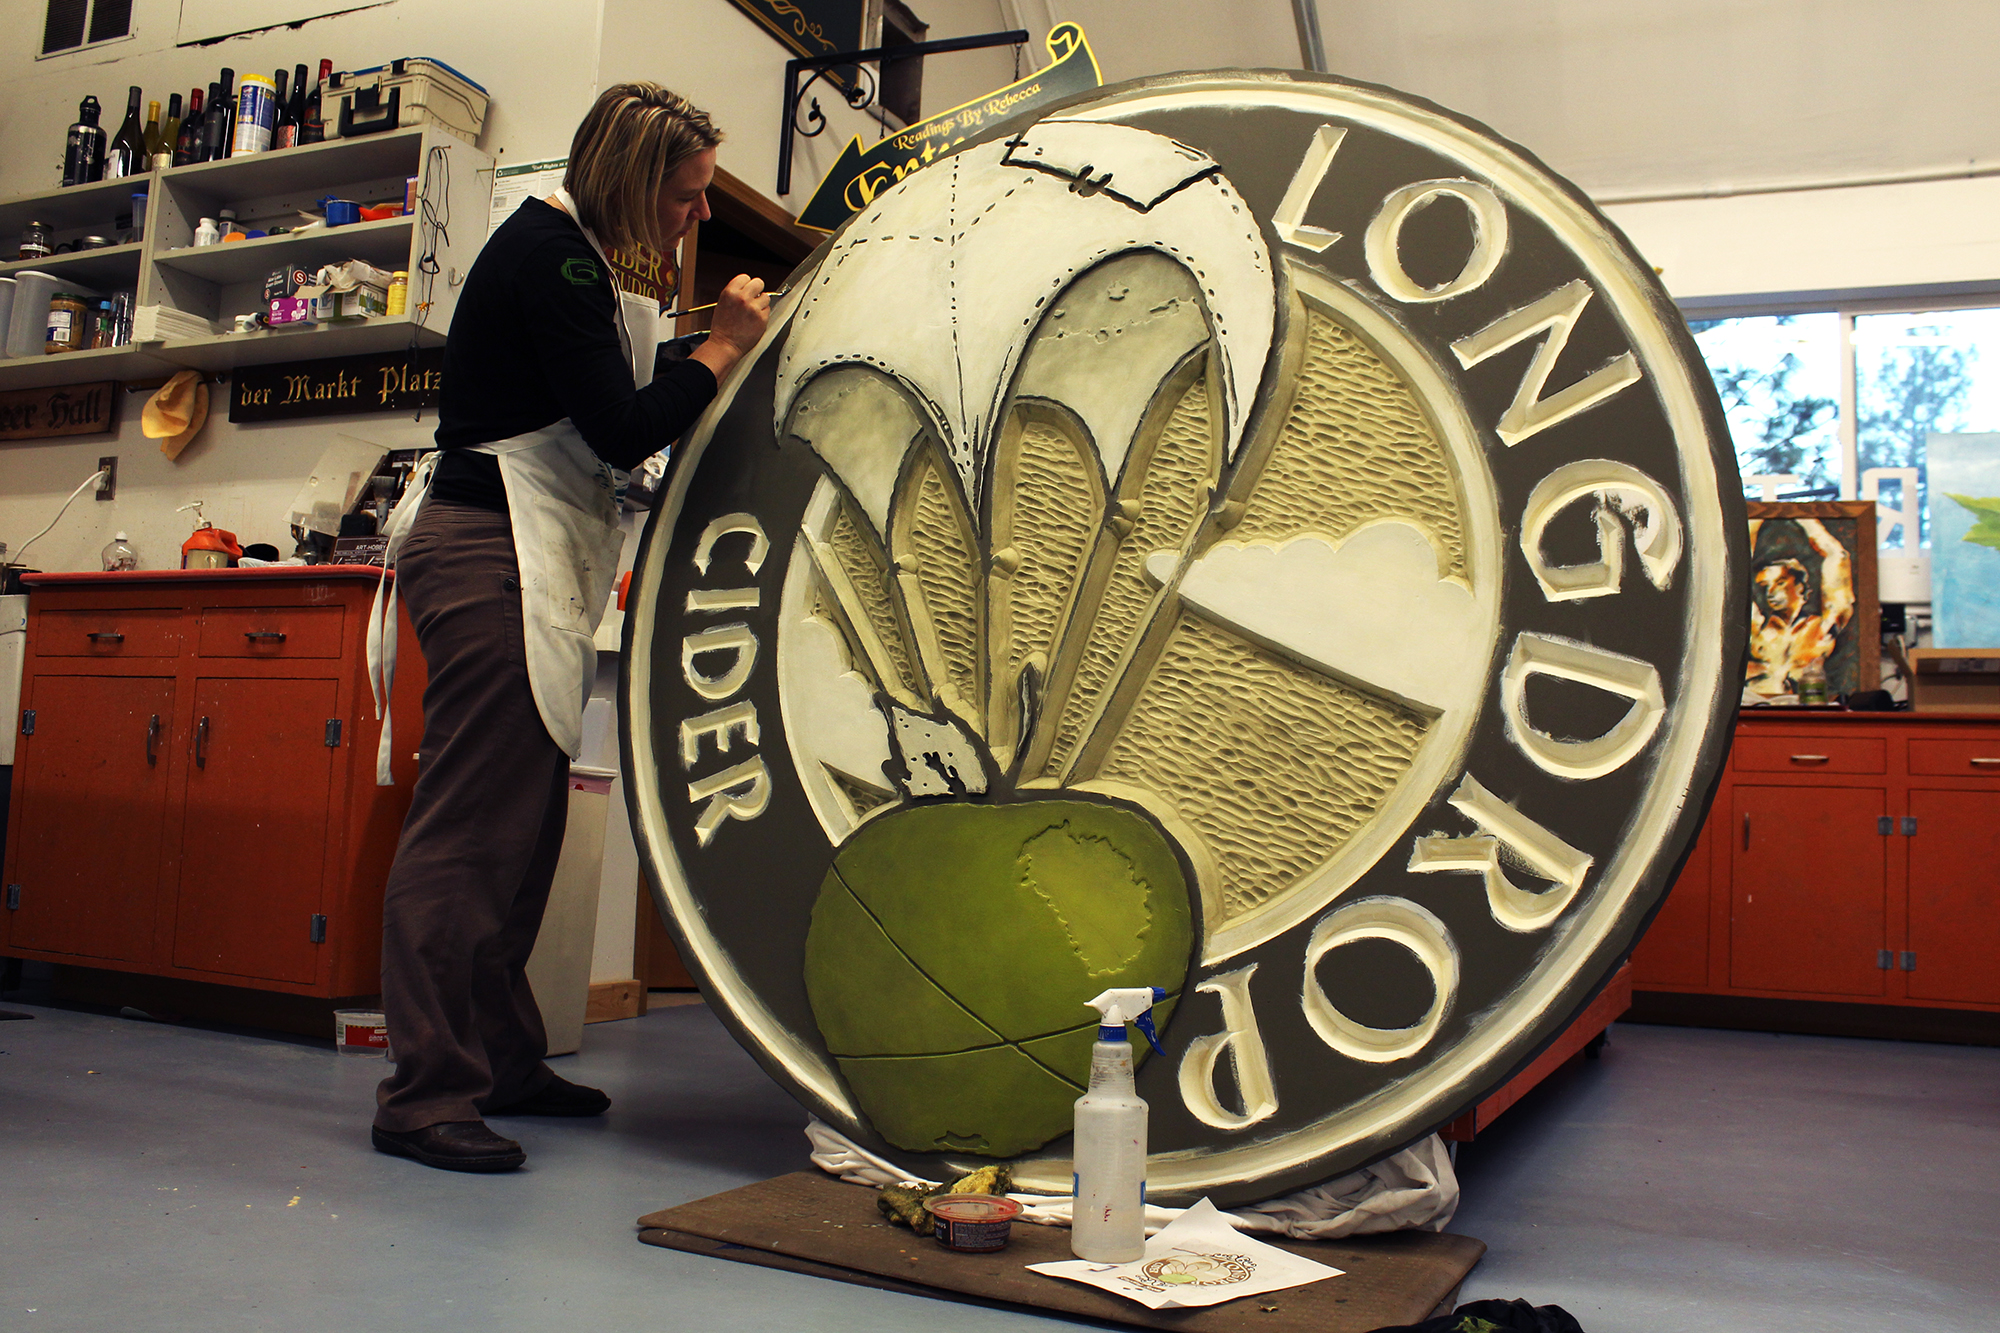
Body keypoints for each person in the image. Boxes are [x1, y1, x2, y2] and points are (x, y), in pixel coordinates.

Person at [364, 84, 771, 1173]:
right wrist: (724, 347)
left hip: (520, 550)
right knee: (467, 835)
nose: (691, 216)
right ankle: (423, 1093)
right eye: (683, 197)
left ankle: (498, 1060)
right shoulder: (557, 261)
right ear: (635, 181)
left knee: (525, 830)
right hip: (486, 547)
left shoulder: (576, 257)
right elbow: (619, 426)